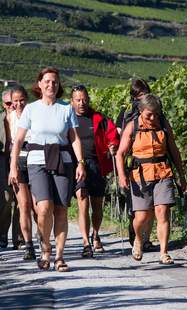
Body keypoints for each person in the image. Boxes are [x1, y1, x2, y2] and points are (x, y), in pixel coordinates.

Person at [9, 67, 86, 272]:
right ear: (40, 85)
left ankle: (59, 257)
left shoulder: (66, 108)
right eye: (47, 81)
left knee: (61, 209)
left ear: (58, 85)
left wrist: (80, 162)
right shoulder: (31, 109)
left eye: (55, 81)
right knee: (43, 208)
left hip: (63, 160)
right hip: (37, 160)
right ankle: (45, 249)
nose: (51, 84)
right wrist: (13, 167)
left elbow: (74, 138)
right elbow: (17, 141)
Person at [116, 94, 187, 264]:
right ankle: (139, 240)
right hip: (140, 175)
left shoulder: (163, 125)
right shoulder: (132, 127)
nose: (153, 118)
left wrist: (181, 176)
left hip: (163, 172)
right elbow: (120, 154)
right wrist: (122, 175)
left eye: (156, 114)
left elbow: (174, 151)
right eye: (149, 115)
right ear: (141, 111)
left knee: (162, 212)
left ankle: (164, 252)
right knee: (142, 217)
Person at [70, 85, 120, 257]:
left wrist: (113, 145)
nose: (82, 103)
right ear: (72, 101)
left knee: (97, 206)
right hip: (78, 166)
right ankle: (85, 242)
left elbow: (113, 135)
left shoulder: (99, 118)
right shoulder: (67, 119)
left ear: (88, 99)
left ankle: (96, 234)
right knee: (82, 200)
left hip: (97, 165)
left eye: (84, 99)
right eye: (78, 100)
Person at [116, 79, 155, 252]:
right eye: (140, 95)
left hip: (153, 161)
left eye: (145, 93)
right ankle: (136, 233)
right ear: (134, 96)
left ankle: (145, 239)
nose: (143, 97)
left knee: (154, 203)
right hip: (133, 162)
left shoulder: (155, 110)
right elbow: (118, 135)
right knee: (137, 204)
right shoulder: (125, 113)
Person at [0, 90, 23, 250]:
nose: (12, 106)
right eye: (8, 103)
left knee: (21, 202)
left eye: (14, 102)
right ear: (3, 104)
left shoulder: (25, 117)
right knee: (4, 201)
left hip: (22, 160)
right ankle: (3, 232)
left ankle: (19, 237)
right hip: (3, 161)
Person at [9, 85, 36, 260]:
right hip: (18, 161)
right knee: (24, 206)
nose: (19, 104)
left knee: (37, 206)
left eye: (22, 101)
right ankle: (28, 245)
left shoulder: (34, 112)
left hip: (34, 159)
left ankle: (42, 238)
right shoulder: (10, 116)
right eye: (15, 101)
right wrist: (11, 167)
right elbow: (11, 144)